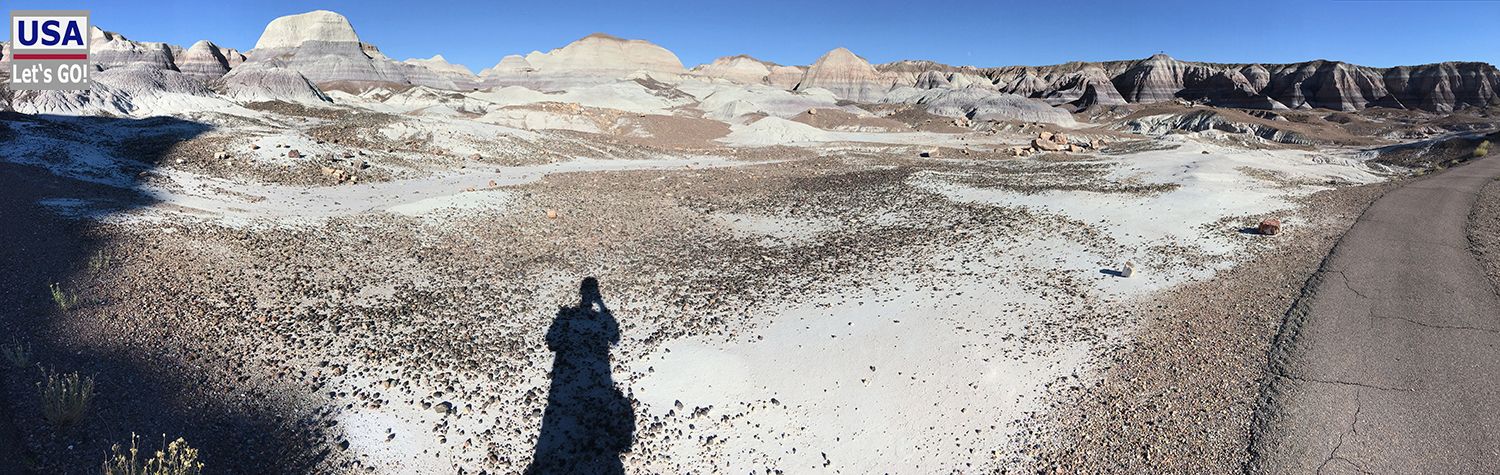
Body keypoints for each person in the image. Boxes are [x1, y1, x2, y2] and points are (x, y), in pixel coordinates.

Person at [526, 277, 634, 474]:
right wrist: (601, 305)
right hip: (598, 377)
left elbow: (551, 343)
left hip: (564, 384)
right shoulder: (592, 318)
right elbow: (615, 337)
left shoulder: (567, 317)